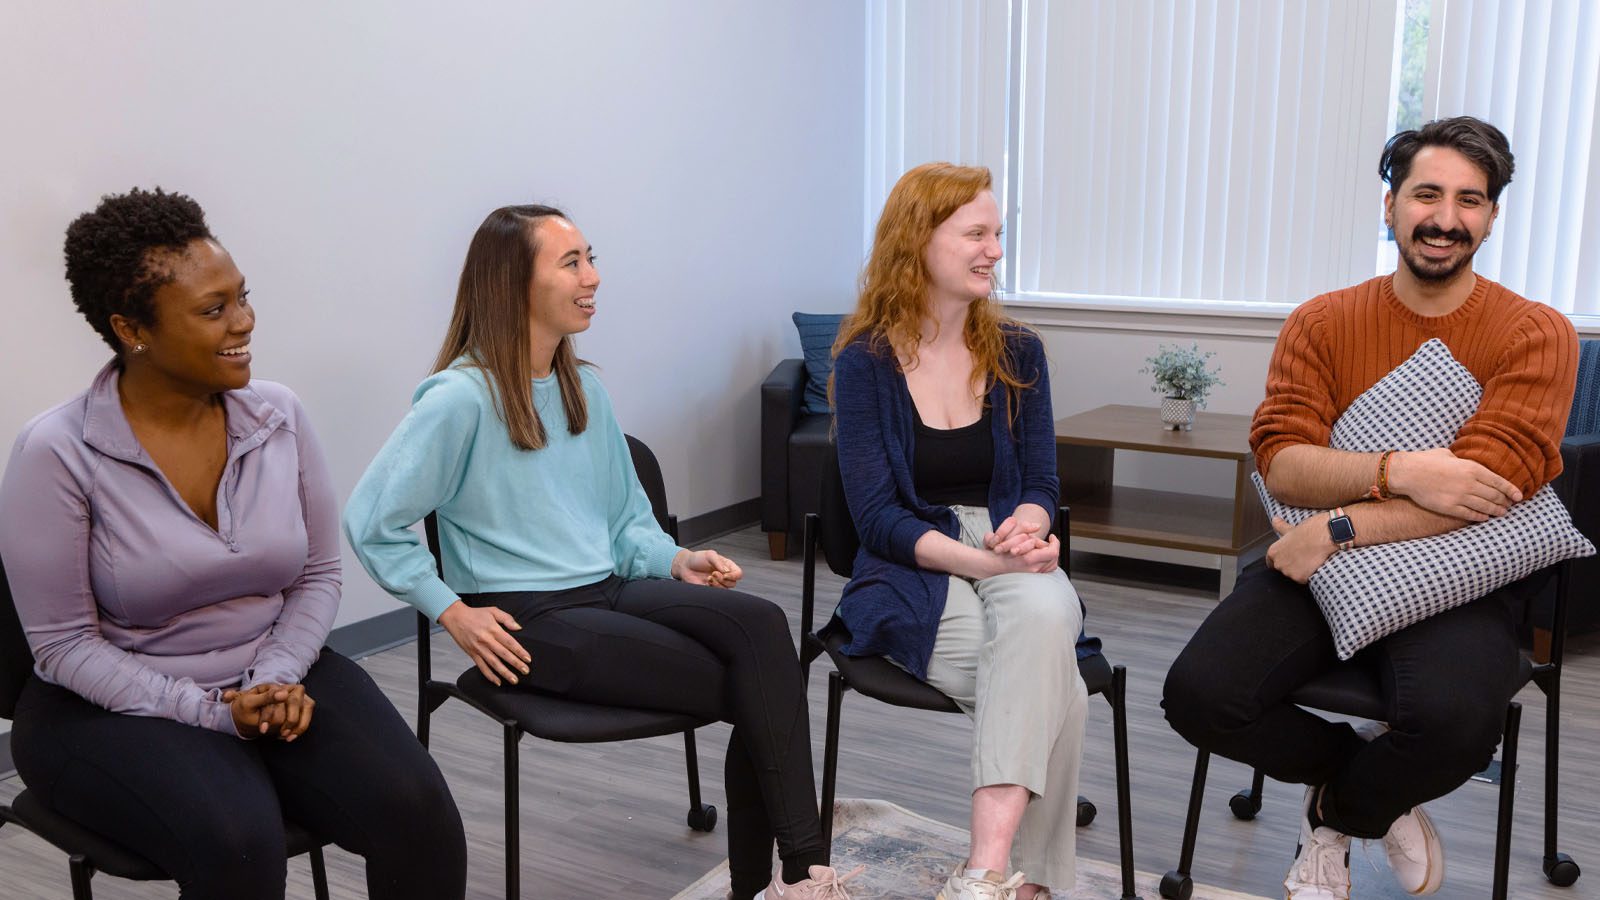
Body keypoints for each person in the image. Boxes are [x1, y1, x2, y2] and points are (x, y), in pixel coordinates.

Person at [343, 203, 856, 900]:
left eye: (592, 257)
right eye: (572, 262)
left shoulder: (586, 388)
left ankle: (794, 873)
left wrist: (677, 561)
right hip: (528, 621)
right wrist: (452, 612)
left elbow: (625, 525)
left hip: (606, 587)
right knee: (763, 691)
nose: (594, 277)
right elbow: (371, 520)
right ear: (513, 284)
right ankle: (790, 879)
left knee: (761, 629)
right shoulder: (458, 400)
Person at [0, 188, 467, 900]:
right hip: (105, 701)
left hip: (273, 673)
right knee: (238, 844)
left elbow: (316, 575)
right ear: (132, 329)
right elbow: (63, 647)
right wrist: (215, 714)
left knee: (418, 811)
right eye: (214, 310)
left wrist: (275, 676)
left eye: (242, 298)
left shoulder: (278, 416)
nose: (244, 323)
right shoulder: (56, 452)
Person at [1162, 116, 1579, 899]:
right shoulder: (1323, 321)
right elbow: (1284, 463)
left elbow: (1491, 489)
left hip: (1455, 575)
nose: (1446, 219)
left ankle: (1336, 816)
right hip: (1320, 576)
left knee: (1456, 724)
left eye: (1469, 200)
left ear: (1492, 216)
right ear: (1389, 205)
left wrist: (1342, 521)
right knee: (1198, 697)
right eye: (1426, 194)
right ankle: (1362, 790)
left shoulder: (1535, 332)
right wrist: (1405, 469)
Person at [828, 163, 1087, 900]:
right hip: (912, 564)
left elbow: (1040, 483)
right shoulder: (864, 363)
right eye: (976, 233)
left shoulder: (1020, 352)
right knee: (1052, 679)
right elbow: (877, 518)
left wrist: (1033, 530)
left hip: (1008, 546)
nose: (994, 250)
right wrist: (987, 565)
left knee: (1039, 625)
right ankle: (1028, 882)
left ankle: (983, 870)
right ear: (919, 241)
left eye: (997, 234)